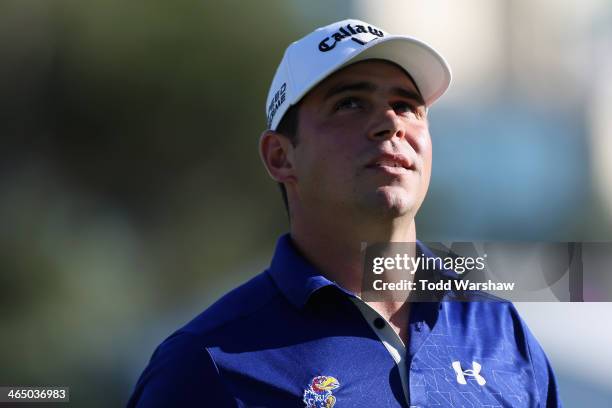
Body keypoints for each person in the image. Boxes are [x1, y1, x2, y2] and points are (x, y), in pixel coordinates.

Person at [127, 19, 562, 407]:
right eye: (350, 103)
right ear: (280, 156)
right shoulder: (203, 365)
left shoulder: (500, 330)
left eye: (408, 105)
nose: (391, 124)